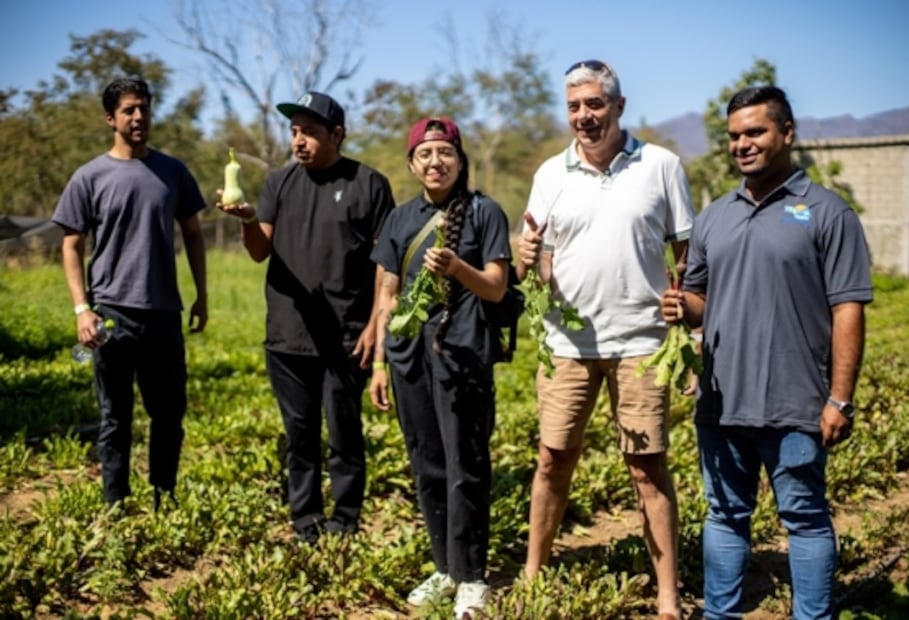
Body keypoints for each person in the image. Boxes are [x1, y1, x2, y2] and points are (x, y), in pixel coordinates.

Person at [661, 85, 873, 619]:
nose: (742, 144)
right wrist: (679, 306)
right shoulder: (714, 217)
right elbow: (701, 302)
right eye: (734, 136)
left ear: (786, 133)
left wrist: (840, 398)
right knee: (725, 515)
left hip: (796, 400)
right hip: (722, 400)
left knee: (803, 517)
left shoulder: (826, 212)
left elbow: (848, 308)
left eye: (754, 132)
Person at [516, 60, 694, 620]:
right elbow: (540, 260)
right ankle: (532, 573)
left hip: (642, 342)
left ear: (618, 106)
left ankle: (667, 592)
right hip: (567, 344)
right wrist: (528, 261)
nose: (584, 117)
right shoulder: (551, 174)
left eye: (594, 104)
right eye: (574, 107)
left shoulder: (661, 166)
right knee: (552, 461)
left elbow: (686, 255)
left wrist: (686, 314)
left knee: (647, 466)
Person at [217, 91, 395, 543]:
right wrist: (247, 219)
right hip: (288, 334)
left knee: (343, 433)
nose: (299, 141)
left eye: (310, 132)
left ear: (337, 134)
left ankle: (346, 519)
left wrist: (377, 323)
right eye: (294, 132)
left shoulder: (368, 184)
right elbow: (260, 251)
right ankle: (306, 521)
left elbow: (386, 265)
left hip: (346, 335)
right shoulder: (279, 183)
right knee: (300, 434)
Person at [368, 117, 512, 619]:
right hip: (409, 355)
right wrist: (380, 364)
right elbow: (387, 293)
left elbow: (495, 286)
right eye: (425, 155)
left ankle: (471, 575)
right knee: (427, 464)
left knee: (465, 467)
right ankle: (444, 568)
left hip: (463, 351)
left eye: (444, 153)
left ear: (459, 158)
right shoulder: (399, 219)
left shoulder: (484, 212)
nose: (436, 162)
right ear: (412, 164)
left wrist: (457, 269)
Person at [52, 77, 208, 510]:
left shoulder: (173, 171)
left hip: (163, 312)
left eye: (144, 108)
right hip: (110, 313)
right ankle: (114, 504)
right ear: (110, 118)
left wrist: (202, 294)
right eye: (128, 110)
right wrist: (82, 309)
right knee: (114, 417)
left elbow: (194, 234)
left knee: (168, 415)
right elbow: (71, 245)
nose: (139, 117)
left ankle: (164, 495)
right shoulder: (89, 177)